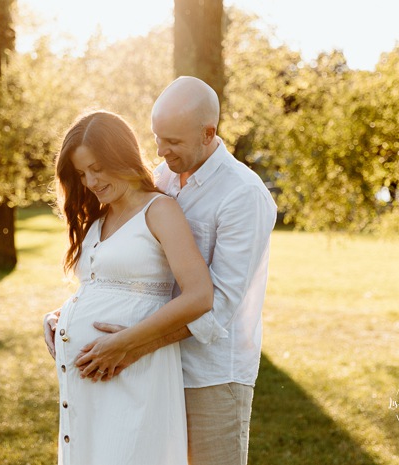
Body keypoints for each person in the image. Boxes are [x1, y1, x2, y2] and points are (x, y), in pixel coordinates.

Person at [64, 76, 278, 465]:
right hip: (153, 372)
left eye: (173, 142)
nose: (161, 151)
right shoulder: (162, 178)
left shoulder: (242, 194)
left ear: (208, 133)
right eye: (157, 138)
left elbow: (220, 304)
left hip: (210, 374)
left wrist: (133, 345)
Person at [48, 110, 213, 465]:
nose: (90, 181)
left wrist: (123, 342)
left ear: (121, 156)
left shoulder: (160, 210)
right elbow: (100, 288)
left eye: (97, 167)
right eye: (81, 173)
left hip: (134, 372)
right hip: (89, 381)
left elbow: (200, 295)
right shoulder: (99, 217)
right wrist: (59, 319)